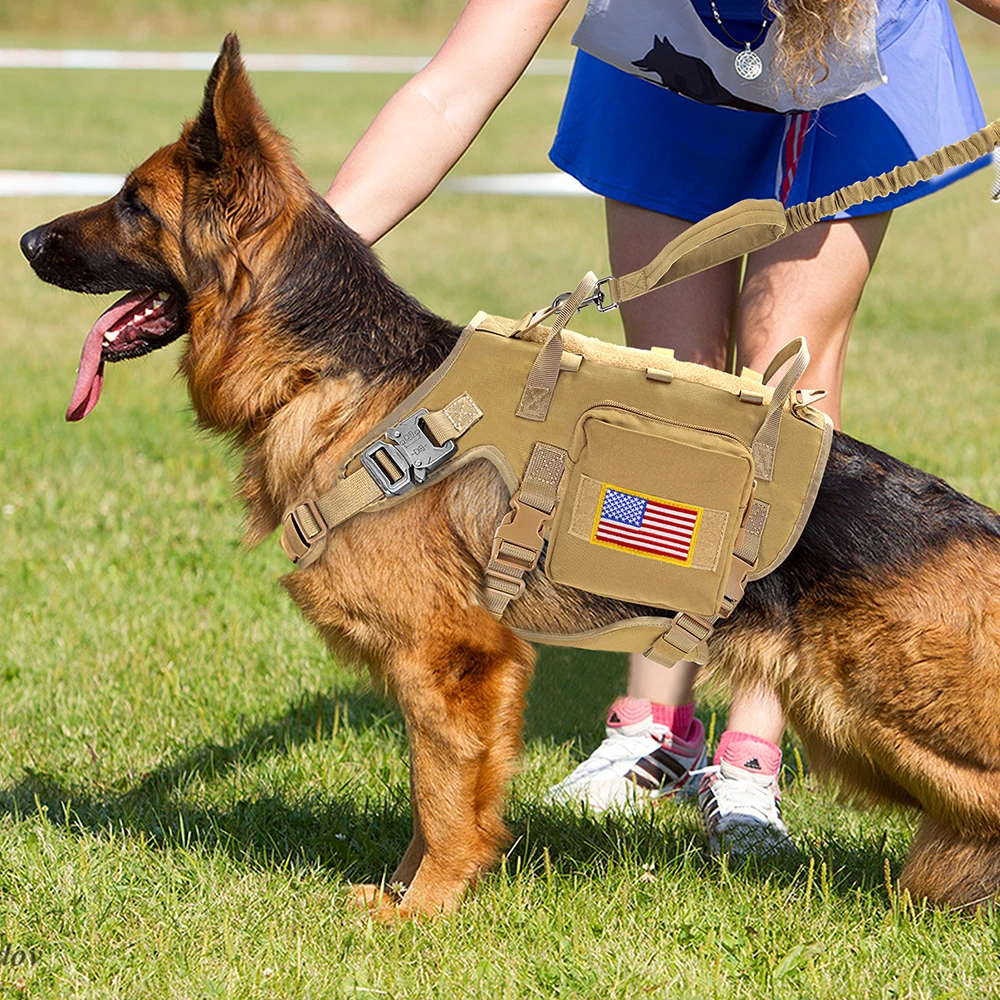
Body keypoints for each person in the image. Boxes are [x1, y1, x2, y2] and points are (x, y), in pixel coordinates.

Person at [325, 0, 994, 855]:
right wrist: (309, 253)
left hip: (842, 61)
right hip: (668, 64)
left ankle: (751, 755)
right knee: (667, 395)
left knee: (783, 367)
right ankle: (654, 725)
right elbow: (451, 89)